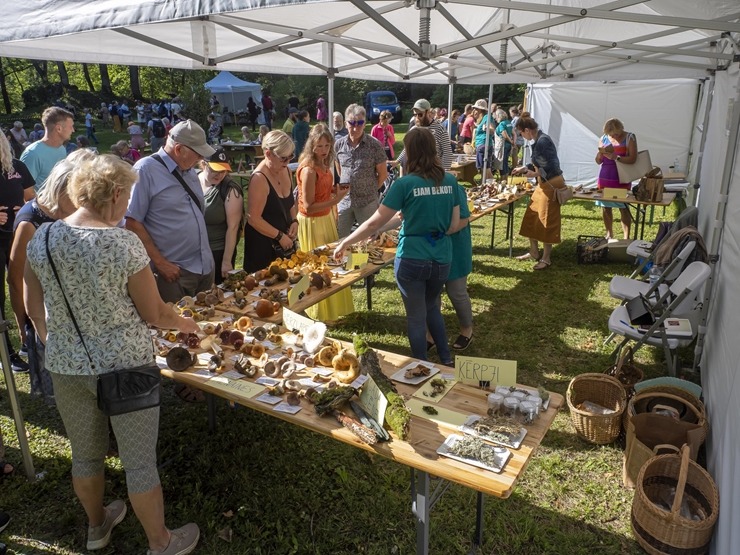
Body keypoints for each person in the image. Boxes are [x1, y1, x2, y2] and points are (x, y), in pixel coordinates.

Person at [24, 154, 201, 555]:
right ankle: (161, 542)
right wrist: (187, 324)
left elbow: (34, 307)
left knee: (85, 456)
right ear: (116, 193)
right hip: (126, 368)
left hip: (67, 367)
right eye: (129, 196)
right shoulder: (122, 243)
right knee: (139, 464)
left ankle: (97, 525)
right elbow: (155, 314)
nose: (128, 206)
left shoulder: (43, 238)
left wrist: (55, 341)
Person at [334, 127, 460, 364]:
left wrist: (346, 241)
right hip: (441, 256)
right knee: (432, 307)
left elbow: (373, 223)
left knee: (415, 316)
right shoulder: (450, 181)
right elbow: (453, 225)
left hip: (412, 257)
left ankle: (421, 364)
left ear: (410, 152)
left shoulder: (405, 184)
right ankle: (446, 359)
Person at [10, 153, 90, 402]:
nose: (82, 205)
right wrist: (25, 326)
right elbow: (15, 279)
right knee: (60, 381)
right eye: (78, 197)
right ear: (61, 191)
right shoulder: (29, 223)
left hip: (73, 305)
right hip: (44, 312)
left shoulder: (67, 214)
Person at [125, 119, 216, 303]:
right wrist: (160, 263)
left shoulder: (188, 169)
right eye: (198, 153)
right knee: (175, 330)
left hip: (204, 266)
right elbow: (132, 222)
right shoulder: (145, 170)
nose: (201, 159)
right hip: (174, 273)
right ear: (179, 149)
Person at [296, 125, 352, 321]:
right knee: (316, 268)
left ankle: (333, 310)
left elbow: (321, 195)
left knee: (331, 263)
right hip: (313, 222)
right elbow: (309, 206)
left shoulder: (324, 163)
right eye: (319, 146)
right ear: (311, 145)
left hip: (326, 217)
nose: (324, 150)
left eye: (327, 145)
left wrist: (333, 194)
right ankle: (318, 313)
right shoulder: (309, 170)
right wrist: (336, 200)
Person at [0, 132, 36, 373]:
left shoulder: (16, 166)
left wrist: (23, 209)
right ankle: (5, 353)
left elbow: (32, 198)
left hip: (17, 236)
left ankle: (27, 340)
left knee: (22, 284)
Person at [512, 112, 566, 270]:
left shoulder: (543, 141)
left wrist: (534, 173)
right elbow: (538, 161)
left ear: (527, 130)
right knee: (531, 217)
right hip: (542, 185)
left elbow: (551, 166)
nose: (522, 136)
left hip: (551, 184)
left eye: (521, 133)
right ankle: (534, 252)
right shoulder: (538, 140)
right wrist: (526, 167)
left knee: (546, 221)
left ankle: (546, 258)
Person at [243, 130, 297, 272]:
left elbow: (290, 202)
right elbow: (253, 218)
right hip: (263, 246)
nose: (288, 162)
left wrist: (295, 221)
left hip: (283, 244)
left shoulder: (285, 170)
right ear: (268, 154)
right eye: (283, 158)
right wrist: (279, 236)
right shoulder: (259, 179)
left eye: (291, 156)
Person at [334, 104, 387, 239]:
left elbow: (383, 174)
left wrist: (370, 189)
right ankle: (343, 260)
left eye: (360, 123)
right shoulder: (339, 144)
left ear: (365, 124)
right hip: (345, 201)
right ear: (346, 124)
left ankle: (362, 261)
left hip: (367, 202)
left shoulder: (374, 145)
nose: (356, 127)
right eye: (352, 123)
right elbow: (339, 169)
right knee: (339, 238)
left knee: (368, 239)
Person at [197, 148, 244, 284]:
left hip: (217, 252)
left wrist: (226, 261)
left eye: (223, 171)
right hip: (193, 252)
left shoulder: (230, 190)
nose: (219, 175)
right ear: (204, 164)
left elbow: (233, 228)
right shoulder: (192, 181)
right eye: (214, 170)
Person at [595, 117, 637, 240]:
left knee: (623, 207)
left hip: (621, 178)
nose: (614, 136)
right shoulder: (603, 138)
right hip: (605, 177)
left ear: (621, 129)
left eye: (616, 134)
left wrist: (616, 157)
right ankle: (609, 233)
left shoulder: (630, 137)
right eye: (611, 134)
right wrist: (599, 155)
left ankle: (626, 236)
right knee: (605, 206)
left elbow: (633, 159)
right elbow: (598, 162)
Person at [20, 107, 75, 191]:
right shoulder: (32, 154)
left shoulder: (61, 148)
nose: (73, 130)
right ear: (59, 128)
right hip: (41, 203)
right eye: (71, 127)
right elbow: (23, 190)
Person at [396, 99, 453, 171]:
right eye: (415, 114)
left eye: (420, 114)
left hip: (433, 171)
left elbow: (447, 152)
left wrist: (444, 171)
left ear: (428, 112)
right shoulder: (414, 129)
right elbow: (407, 148)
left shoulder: (439, 128)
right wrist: (397, 161)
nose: (417, 117)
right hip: (416, 170)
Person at [493, 108, 514, 180]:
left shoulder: (501, 124)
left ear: (499, 116)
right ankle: (506, 179)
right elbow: (514, 133)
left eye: (496, 116)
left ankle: (503, 180)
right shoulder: (508, 122)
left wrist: (510, 141)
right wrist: (513, 142)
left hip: (502, 146)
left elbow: (504, 134)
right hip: (508, 146)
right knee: (505, 163)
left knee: (501, 164)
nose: (495, 118)